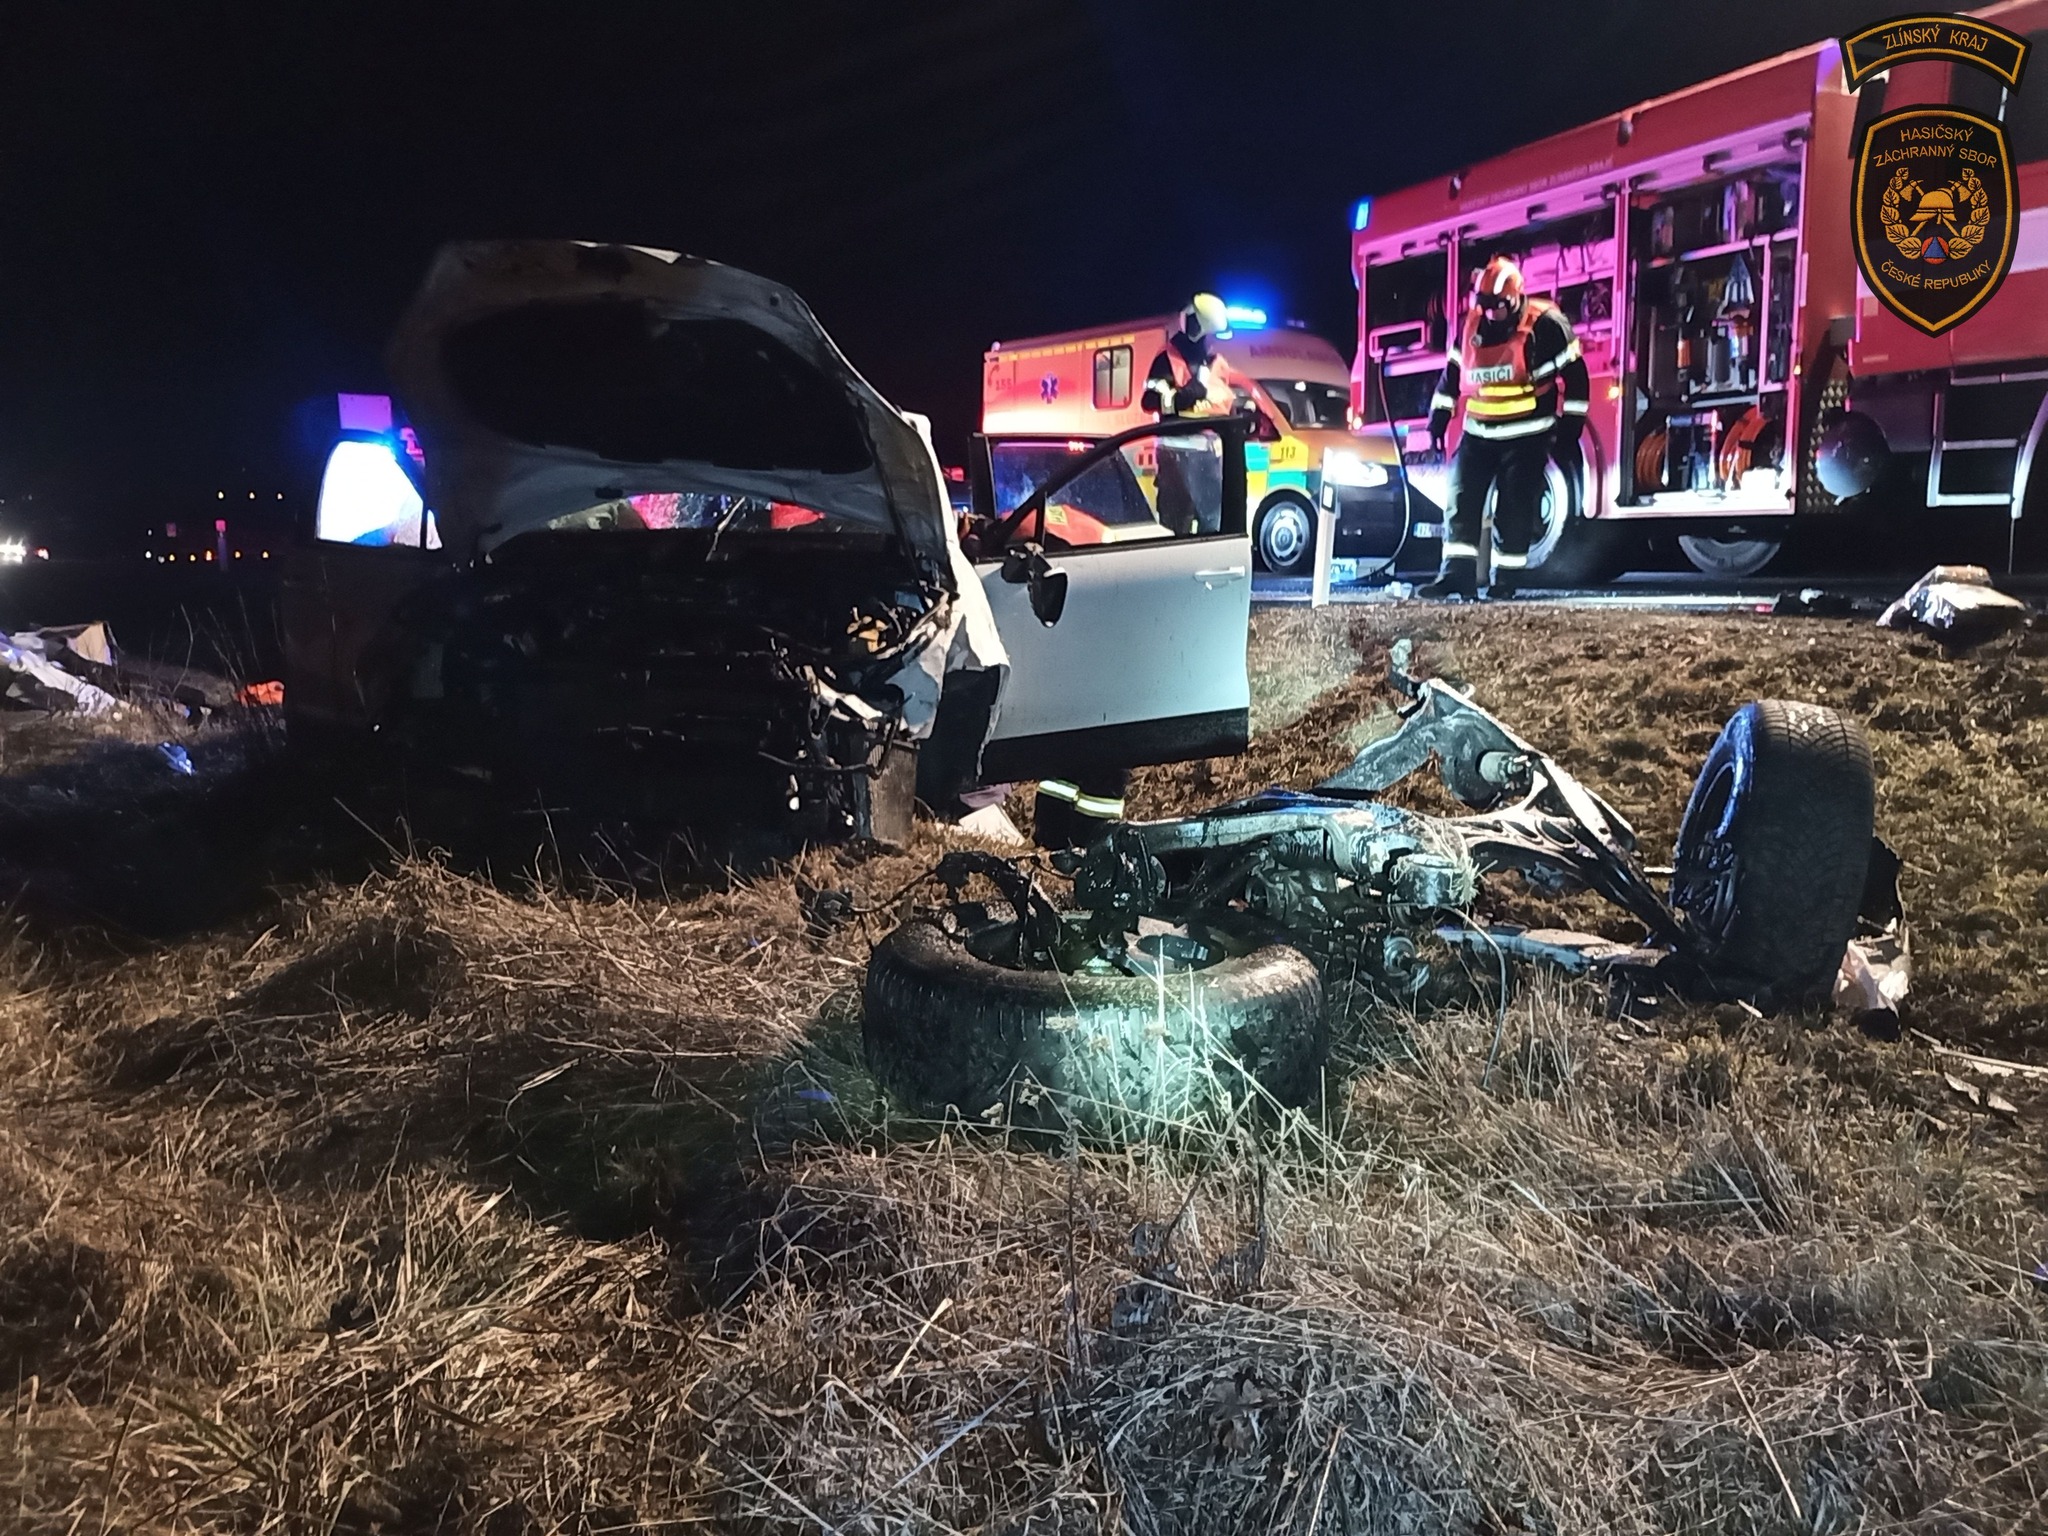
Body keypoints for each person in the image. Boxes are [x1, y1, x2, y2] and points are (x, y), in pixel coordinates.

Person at [1035, 294, 1238, 849]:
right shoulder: (1166, 360)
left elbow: (1228, 404)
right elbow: (1153, 400)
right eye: (1205, 330)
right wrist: (1181, 397)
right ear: (1193, 324)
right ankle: (1089, 836)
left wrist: (1203, 397)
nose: (1207, 339)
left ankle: (1065, 831)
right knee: (1173, 540)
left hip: (1208, 460)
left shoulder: (1215, 362)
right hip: (1175, 457)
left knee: (1202, 542)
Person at [1418, 256, 1589, 600]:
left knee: (1514, 510)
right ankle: (1456, 575)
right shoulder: (1471, 327)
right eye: (1485, 306)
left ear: (1515, 299)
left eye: (1498, 307)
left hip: (1527, 436)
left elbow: (1576, 377)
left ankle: (1505, 582)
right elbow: (1451, 378)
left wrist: (1570, 429)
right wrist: (1438, 421)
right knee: (1460, 502)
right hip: (1478, 433)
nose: (1491, 314)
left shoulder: (1547, 326)